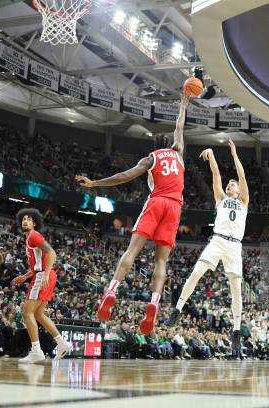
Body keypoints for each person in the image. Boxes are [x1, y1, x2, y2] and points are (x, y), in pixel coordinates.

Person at [76, 93, 190, 335]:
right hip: (175, 207)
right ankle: (154, 302)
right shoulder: (178, 152)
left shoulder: (151, 158)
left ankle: (112, 291)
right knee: (162, 261)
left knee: (132, 250)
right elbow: (180, 126)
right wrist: (183, 102)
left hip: (157, 201)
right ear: (170, 142)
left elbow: (124, 176)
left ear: (155, 145)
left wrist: (95, 183)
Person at [166, 140, 249, 358]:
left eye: (233, 185)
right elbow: (215, 176)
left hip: (234, 246)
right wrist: (211, 156)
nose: (231, 186)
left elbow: (241, 175)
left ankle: (237, 331)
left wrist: (233, 152)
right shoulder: (221, 198)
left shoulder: (244, 201)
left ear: (239, 189)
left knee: (237, 290)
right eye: (229, 185)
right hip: (218, 241)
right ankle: (177, 310)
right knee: (196, 273)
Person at [11, 208, 71, 363]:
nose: (25, 221)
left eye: (29, 219)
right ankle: (62, 343)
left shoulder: (34, 236)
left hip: (43, 275)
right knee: (38, 314)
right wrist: (25, 276)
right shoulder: (30, 238)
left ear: (35, 223)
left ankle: (36, 351)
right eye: (23, 219)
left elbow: (52, 253)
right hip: (44, 274)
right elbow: (37, 264)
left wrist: (44, 274)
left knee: (26, 313)